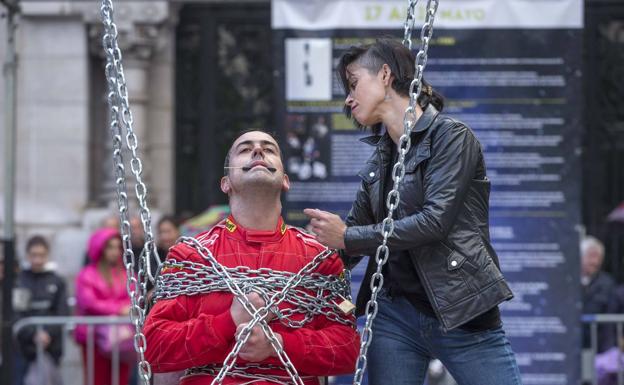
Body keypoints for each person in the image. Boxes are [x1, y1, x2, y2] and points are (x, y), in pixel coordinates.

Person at [304, 38, 522, 385]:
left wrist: (346, 236)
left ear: (386, 75)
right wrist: (296, 261)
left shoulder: (451, 137)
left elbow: (435, 222)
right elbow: (352, 239)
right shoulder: (380, 158)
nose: (348, 98)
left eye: (354, 83)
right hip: (395, 314)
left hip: (461, 306)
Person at [143, 130, 360, 385]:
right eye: (245, 149)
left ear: (285, 181)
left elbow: (347, 349)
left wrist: (277, 345)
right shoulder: (190, 255)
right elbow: (154, 346)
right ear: (226, 183)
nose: (258, 151)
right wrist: (229, 321)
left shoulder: (319, 257)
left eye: (269, 149)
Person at [75, 228, 133, 385]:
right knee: (97, 380)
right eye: (110, 247)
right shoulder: (87, 274)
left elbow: (134, 298)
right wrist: (119, 310)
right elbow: (89, 303)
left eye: (117, 247)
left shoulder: (126, 274)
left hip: (122, 337)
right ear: (99, 248)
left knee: (121, 380)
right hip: (93, 338)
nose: (115, 251)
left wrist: (122, 309)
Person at [15, 235, 68, 385]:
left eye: (41, 255)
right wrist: (33, 334)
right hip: (24, 349)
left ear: (47, 255)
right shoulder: (20, 281)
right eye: (33, 255)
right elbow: (18, 313)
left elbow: (62, 313)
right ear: (27, 255)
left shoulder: (57, 281)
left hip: (51, 348)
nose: (37, 260)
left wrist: (47, 334)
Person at [581, 235, 616, 352]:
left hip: (597, 346)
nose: (595, 262)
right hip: (571, 344)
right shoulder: (568, 280)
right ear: (580, 256)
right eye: (591, 256)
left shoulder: (607, 283)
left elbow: (610, 321)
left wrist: (608, 351)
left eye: (599, 258)